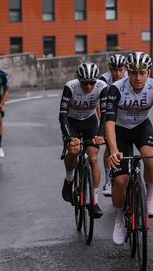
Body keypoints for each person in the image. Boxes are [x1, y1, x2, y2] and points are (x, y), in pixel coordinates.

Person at [104, 52, 153, 245]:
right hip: (120, 130)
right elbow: (109, 123)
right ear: (128, 72)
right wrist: (113, 150)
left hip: (141, 126)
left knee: (150, 158)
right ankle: (119, 218)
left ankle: (148, 197)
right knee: (121, 180)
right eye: (133, 73)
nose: (138, 77)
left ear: (148, 72)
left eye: (142, 73)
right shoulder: (116, 89)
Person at [59, 61, 107, 217]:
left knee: (93, 158)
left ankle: (94, 201)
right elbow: (62, 115)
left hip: (89, 121)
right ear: (79, 80)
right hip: (71, 122)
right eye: (85, 83)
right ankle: (69, 179)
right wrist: (69, 137)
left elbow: (106, 115)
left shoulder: (102, 87)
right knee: (74, 150)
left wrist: (100, 135)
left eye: (92, 83)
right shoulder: (70, 87)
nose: (89, 87)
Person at [98, 54, 128, 197]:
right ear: (110, 69)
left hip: (125, 113)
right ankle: (108, 178)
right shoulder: (104, 80)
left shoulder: (130, 77)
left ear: (125, 69)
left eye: (120, 70)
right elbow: (100, 105)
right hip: (109, 114)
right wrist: (104, 125)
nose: (117, 73)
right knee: (110, 146)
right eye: (114, 70)